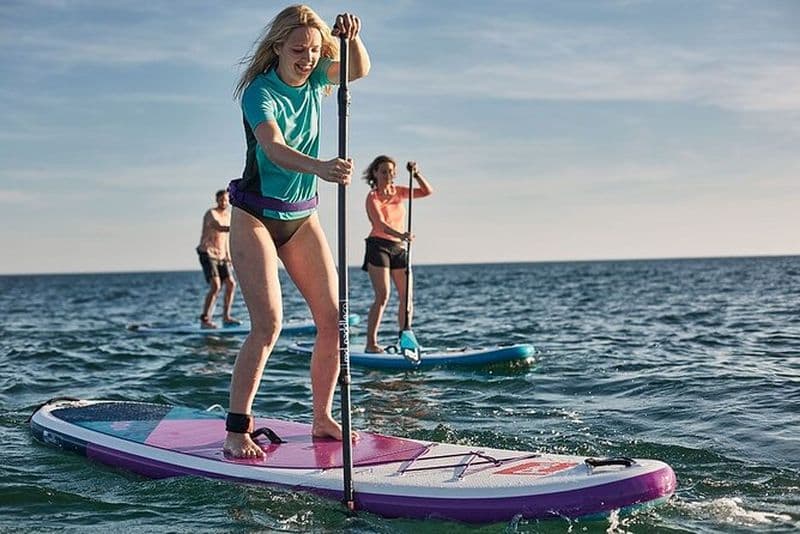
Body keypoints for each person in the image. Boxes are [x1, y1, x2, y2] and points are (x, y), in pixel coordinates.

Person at [223, 5, 370, 459]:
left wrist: (350, 40)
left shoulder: (321, 81)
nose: (306, 59)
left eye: (313, 51)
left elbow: (359, 68)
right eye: (298, 50)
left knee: (332, 321)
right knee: (268, 325)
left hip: (302, 217)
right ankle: (235, 431)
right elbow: (274, 147)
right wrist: (322, 168)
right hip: (255, 216)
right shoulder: (258, 93)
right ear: (277, 48)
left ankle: (322, 417)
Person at [361, 156, 434, 353]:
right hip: (379, 247)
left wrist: (416, 175)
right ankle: (371, 343)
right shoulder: (373, 197)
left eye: (391, 172)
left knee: (406, 296)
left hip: (399, 248)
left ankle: (405, 338)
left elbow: (427, 191)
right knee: (383, 295)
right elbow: (379, 224)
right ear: (375, 173)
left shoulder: (399, 192)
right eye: (383, 171)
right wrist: (401, 234)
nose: (388, 175)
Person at [196, 189, 240, 329]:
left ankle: (226, 317)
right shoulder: (211, 214)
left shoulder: (228, 216)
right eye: (221, 200)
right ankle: (205, 319)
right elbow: (220, 228)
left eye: (226, 200)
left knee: (231, 284)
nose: (224, 202)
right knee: (216, 286)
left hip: (222, 255)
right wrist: (241, 227)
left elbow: (226, 239)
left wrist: (229, 256)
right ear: (217, 200)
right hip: (208, 253)